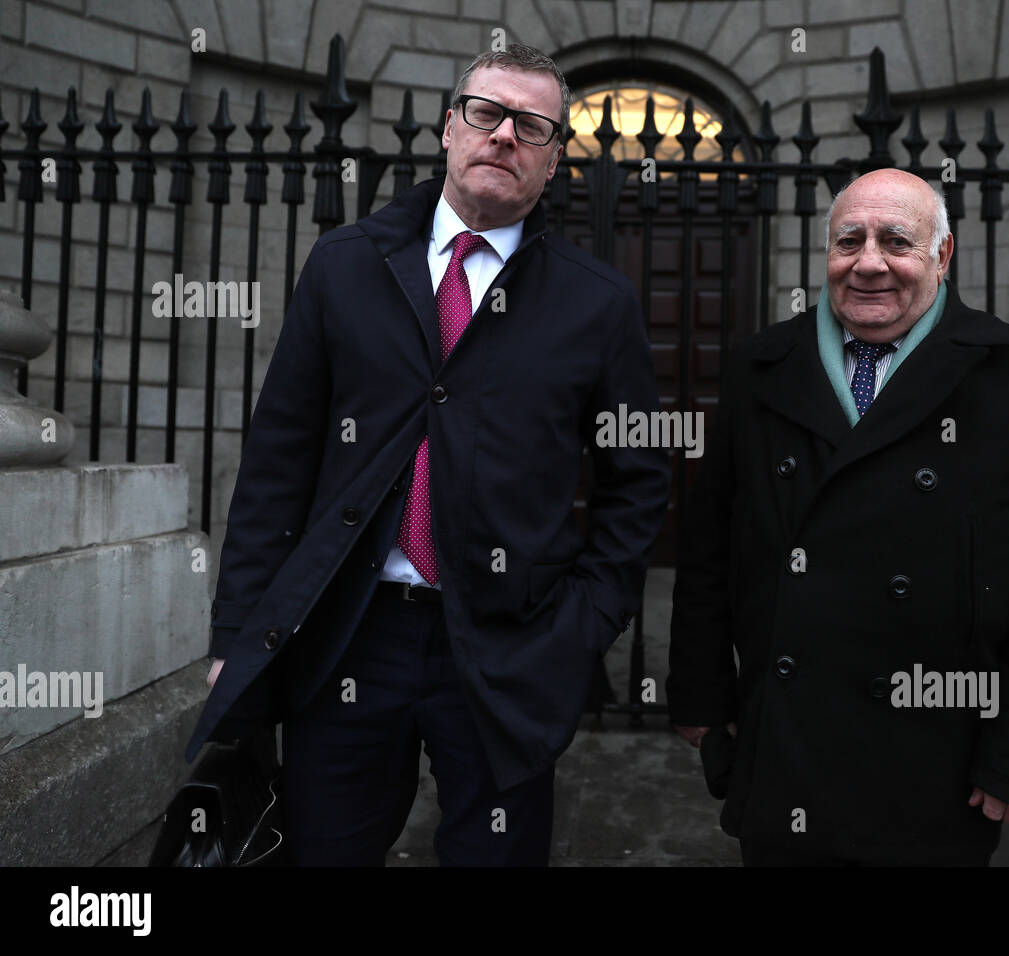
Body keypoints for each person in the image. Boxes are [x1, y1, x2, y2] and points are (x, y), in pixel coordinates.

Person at [186, 43, 670, 866]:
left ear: (553, 161)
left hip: (507, 648)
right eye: (486, 114)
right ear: (450, 129)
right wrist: (236, 629)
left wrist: (582, 628)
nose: (504, 136)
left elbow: (638, 483)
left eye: (532, 125)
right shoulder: (346, 265)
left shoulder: (598, 303)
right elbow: (277, 461)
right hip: (349, 635)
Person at [667, 168, 1009, 866]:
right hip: (786, 745)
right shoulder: (760, 365)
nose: (868, 263)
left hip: (936, 757)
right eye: (848, 241)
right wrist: (700, 698)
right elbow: (709, 547)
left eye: (896, 241)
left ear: (942, 256)